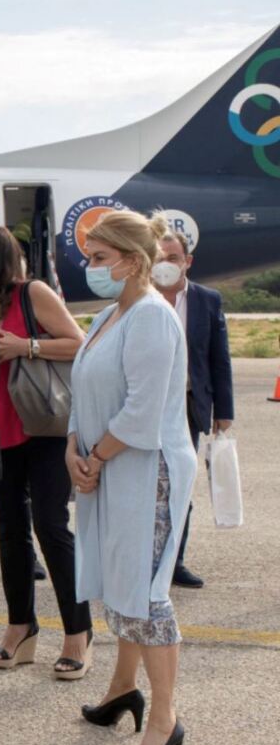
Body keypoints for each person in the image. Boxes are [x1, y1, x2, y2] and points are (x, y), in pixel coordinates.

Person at [67, 210, 196, 745]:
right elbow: (84, 390)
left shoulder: (151, 317)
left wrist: (93, 458)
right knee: (118, 579)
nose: (88, 267)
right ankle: (123, 689)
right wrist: (73, 450)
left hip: (148, 470)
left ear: (134, 260)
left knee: (144, 591)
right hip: (105, 464)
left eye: (99, 258)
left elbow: (142, 409)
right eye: (88, 257)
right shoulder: (105, 318)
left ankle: (165, 722)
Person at [0, 225, 92, 679]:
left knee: (51, 526)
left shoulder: (31, 293)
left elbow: (79, 343)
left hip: (43, 426)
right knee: (10, 530)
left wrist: (24, 346)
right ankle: (21, 627)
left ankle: (79, 631)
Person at [153, 231, 234, 589]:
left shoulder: (207, 300)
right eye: (159, 258)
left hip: (187, 407)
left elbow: (219, 359)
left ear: (187, 261)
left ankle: (174, 561)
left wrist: (224, 411)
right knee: (144, 486)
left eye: (173, 258)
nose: (166, 265)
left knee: (180, 487)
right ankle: (143, 559)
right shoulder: (141, 299)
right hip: (146, 408)